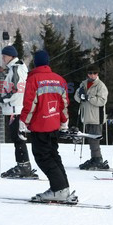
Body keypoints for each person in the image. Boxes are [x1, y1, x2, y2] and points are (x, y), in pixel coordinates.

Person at [20, 50, 77, 202]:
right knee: (53, 155)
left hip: (39, 125)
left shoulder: (34, 79)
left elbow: (29, 104)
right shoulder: (59, 79)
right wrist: (64, 121)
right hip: (53, 124)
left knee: (43, 157)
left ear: (35, 63)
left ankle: (59, 190)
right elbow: (64, 104)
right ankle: (62, 187)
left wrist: (23, 122)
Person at [0, 45, 38, 178]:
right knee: (17, 138)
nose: (3, 58)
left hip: (16, 108)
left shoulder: (15, 69)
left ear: (11, 56)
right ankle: (23, 165)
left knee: (18, 138)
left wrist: (3, 99)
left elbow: (16, 89)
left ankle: (23, 166)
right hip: (16, 107)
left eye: (5, 56)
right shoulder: (17, 68)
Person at [74, 65, 109, 170]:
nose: (92, 75)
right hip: (87, 116)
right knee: (90, 138)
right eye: (90, 73)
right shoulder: (83, 84)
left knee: (94, 139)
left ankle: (97, 159)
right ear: (87, 74)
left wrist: (88, 97)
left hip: (96, 116)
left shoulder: (100, 86)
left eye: (94, 73)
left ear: (97, 74)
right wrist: (80, 96)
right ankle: (94, 158)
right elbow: (76, 97)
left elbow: (102, 101)